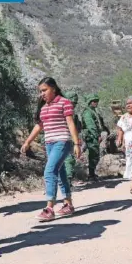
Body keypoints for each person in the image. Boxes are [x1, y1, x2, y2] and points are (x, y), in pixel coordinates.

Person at [21, 77, 81, 221]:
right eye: (40, 91)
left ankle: (49, 208)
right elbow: (39, 126)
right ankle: (68, 204)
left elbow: (70, 123)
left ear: (53, 88)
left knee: (49, 171)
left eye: (44, 90)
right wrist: (27, 142)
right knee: (60, 172)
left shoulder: (64, 102)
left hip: (62, 141)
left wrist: (76, 143)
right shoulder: (44, 107)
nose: (42, 94)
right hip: (49, 143)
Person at [81, 94, 109, 181]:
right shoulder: (87, 112)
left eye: (97, 101)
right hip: (91, 136)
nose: (96, 103)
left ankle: (92, 174)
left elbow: (100, 124)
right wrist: (97, 136)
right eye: (94, 101)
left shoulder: (93, 111)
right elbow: (91, 126)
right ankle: (91, 175)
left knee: (95, 155)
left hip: (94, 136)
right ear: (90, 102)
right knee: (93, 154)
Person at [63, 91, 82, 185]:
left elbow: (76, 128)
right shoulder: (64, 112)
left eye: (75, 103)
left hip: (71, 139)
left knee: (70, 159)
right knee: (68, 159)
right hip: (63, 138)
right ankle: (67, 180)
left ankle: (67, 180)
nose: (73, 105)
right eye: (72, 102)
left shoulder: (73, 114)